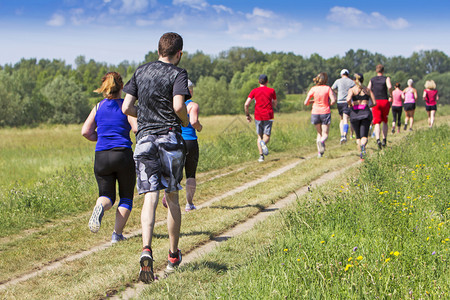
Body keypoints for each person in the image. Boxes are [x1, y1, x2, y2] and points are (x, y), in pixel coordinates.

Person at [122, 32, 190, 283]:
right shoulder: (178, 73)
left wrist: (146, 117)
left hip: (145, 140)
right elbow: (178, 106)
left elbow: (126, 107)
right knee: (171, 197)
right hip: (169, 138)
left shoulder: (140, 71)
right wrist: (183, 121)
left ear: (159, 49)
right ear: (179, 53)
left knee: (149, 197)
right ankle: (173, 256)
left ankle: (146, 249)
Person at [81, 72, 137, 244]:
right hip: (122, 155)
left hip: (102, 156)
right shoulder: (125, 107)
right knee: (126, 196)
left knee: (107, 196)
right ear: (122, 87)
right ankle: (116, 235)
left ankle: (100, 206)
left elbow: (85, 131)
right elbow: (136, 129)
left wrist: (100, 137)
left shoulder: (98, 107)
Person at [162, 80, 203, 212]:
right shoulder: (193, 105)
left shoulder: (172, 105)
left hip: (175, 139)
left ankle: (168, 197)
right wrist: (199, 127)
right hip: (190, 140)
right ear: (190, 91)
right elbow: (193, 121)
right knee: (190, 173)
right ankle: (189, 204)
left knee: (174, 172)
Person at [244, 74, 277, 162]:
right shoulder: (272, 91)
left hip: (258, 116)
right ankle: (263, 143)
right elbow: (274, 103)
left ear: (259, 82)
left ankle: (261, 156)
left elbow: (246, 104)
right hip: (268, 115)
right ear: (267, 82)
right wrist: (272, 104)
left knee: (259, 136)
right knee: (267, 136)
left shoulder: (254, 91)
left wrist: (247, 115)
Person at [304, 72, 336, 157]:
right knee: (325, 134)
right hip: (325, 112)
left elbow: (305, 102)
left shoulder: (313, 89)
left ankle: (319, 153)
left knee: (319, 133)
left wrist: (312, 101)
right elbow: (333, 101)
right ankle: (322, 142)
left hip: (315, 112)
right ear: (325, 80)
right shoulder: (327, 88)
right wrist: (328, 102)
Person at [347, 73, 376, 159]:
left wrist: (350, 105)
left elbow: (348, 99)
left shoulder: (352, 90)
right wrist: (367, 106)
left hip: (355, 113)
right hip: (365, 113)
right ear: (362, 80)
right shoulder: (367, 90)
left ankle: (361, 151)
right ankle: (363, 147)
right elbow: (374, 103)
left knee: (358, 136)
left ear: (354, 80)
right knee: (364, 135)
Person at [368, 64, 392, 149]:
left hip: (375, 102)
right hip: (385, 101)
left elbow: (368, 89)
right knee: (385, 120)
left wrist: (370, 97)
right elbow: (389, 87)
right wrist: (390, 95)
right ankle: (384, 139)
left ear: (376, 71)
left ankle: (378, 139)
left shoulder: (372, 80)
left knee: (377, 122)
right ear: (383, 71)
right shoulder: (386, 78)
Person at [331, 69, 355, 144]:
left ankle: (342, 135)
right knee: (346, 119)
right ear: (348, 74)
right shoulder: (351, 82)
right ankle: (345, 135)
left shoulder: (338, 81)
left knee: (341, 119)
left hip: (339, 102)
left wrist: (336, 93)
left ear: (341, 74)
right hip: (347, 101)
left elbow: (332, 88)